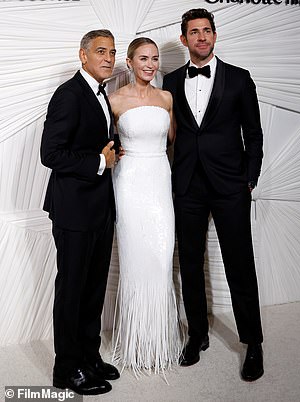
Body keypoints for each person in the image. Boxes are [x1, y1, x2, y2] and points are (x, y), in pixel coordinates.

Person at [163, 8, 264, 381]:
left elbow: (253, 134)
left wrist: (249, 179)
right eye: (194, 32)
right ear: (184, 38)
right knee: (190, 263)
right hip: (187, 185)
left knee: (240, 264)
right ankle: (197, 336)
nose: (202, 37)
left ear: (215, 35)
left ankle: (253, 343)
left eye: (207, 30)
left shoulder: (239, 79)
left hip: (230, 186)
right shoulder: (170, 81)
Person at [40, 29, 120, 395]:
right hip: (73, 210)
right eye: (100, 51)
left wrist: (113, 153)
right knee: (72, 290)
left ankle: (89, 356)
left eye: (113, 52)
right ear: (83, 55)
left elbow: (93, 140)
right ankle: (65, 369)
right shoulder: (69, 94)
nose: (108, 58)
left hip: (100, 207)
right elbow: (51, 154)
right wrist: (98, 162)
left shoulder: (100, 94)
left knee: (93, 289)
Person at [109, 37, 184, 375]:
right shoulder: (114, 100)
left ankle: (161, 342)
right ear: (129, 62)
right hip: (129, 185)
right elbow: (103, 143)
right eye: (143, 58)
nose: (151, 64)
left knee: (161, 253)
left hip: (159, 179)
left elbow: (179, 144)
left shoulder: (166, 97)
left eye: (155, 58)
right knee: (135, 257)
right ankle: (137, 343)